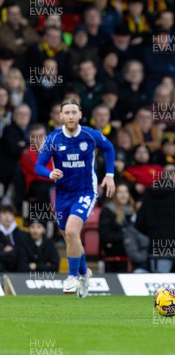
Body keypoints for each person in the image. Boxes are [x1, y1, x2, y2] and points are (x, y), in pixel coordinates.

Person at [35, 99, 115, 298]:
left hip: (85, 191)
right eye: (66, 113)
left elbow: (109, 148)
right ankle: (84, 272)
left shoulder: (90, 135)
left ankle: (71, 276)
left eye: (74, 112)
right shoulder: (53, 139)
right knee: (70, 236)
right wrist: (49, 174)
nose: (70, 116)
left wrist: (110, 175)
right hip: (62, 195)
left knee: (71, 231)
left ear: (80, 115)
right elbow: (39, 166)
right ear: (60, 116)